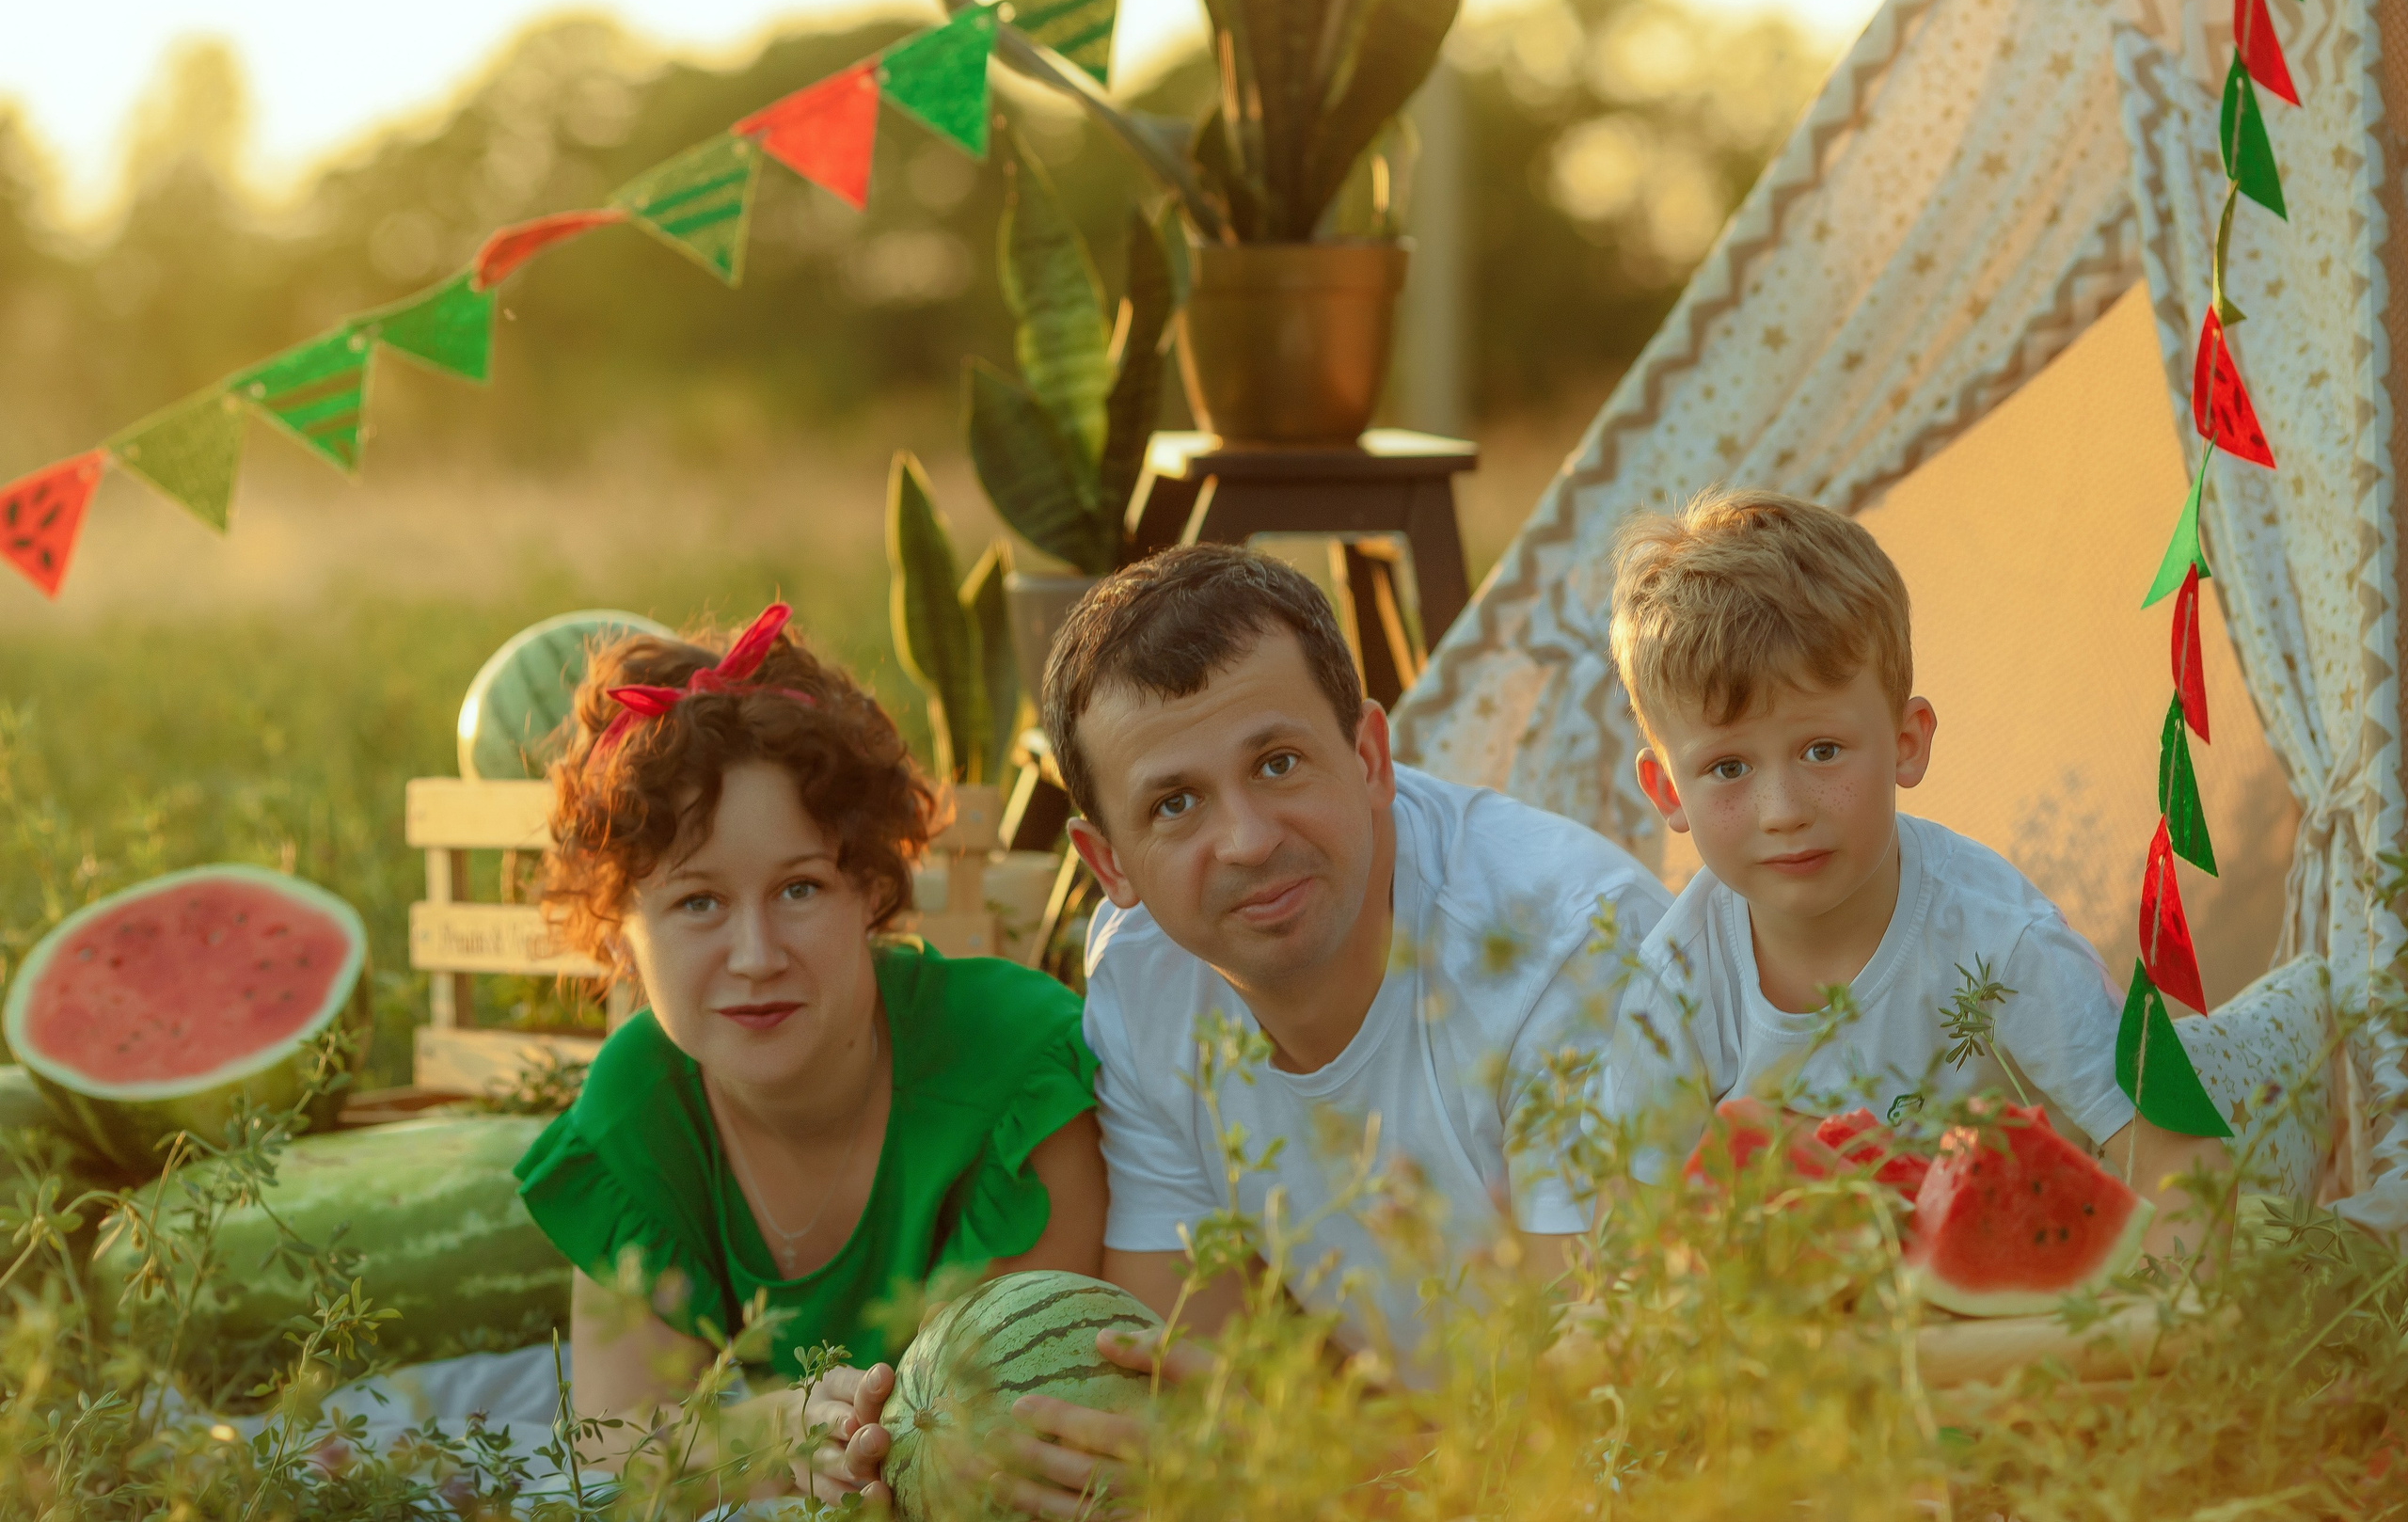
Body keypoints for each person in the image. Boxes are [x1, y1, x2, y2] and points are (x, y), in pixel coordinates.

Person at [949, 544, 1676, 1515]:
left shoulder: (1565, 951)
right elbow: (1185, 1367)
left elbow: (1604, 1414)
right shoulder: (1144, 974)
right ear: (1107, 862)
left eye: (1277, 763)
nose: (1248, 840)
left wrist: (1297, 1471)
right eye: (1175, 803)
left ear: (1370, 757)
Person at [512, 603, 1106, 1504]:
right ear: (620, 933)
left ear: (868, 886)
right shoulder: (638, 1106)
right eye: (698, 902)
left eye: (799, 888)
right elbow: (617, 1449)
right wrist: (779, 1430)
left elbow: (1024, 1418)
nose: (756, 956)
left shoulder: (1018, 1075)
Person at [1597, 490, 2224, 1238]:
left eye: (1822, 750)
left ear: (1907, 742)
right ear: (1669, 792)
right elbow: (1630, 1241)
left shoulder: (2001, 940)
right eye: (1728, 767)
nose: (1782, 810)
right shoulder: (1672, 987)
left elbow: (2183, 1170)